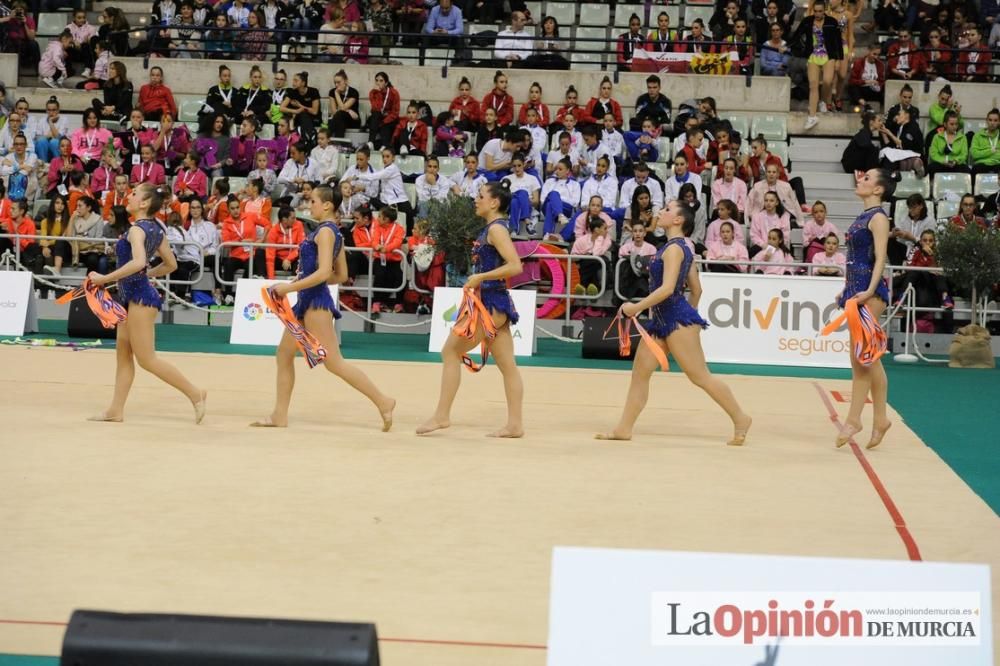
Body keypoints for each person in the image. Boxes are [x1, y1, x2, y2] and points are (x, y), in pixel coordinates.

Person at [596, 202, 752, 444]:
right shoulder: (680, 248)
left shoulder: (674, 250)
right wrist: (689, 314)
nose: (661, 211)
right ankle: (623, 428)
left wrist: (636, 308)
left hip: (675, 320)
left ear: (678, 220)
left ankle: (741, 418)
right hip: (664, 321)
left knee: (700, 377)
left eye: (668, 209)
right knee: (640, 373)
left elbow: (668, 288)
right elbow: (697, 290)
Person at [251, 185, 395, 430]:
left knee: (334, 362)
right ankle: (279, 415)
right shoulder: (332, 232)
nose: (310, 205)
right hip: (308, 300)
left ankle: (383, 401)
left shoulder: (326, 232)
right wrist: (300, 283)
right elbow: (341, 275)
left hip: (316, 304)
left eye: (314, 201)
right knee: (284, 354)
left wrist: (291, 287)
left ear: (327, 205)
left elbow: (326, 272)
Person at [86, 184, 206, 423]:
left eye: (133, 194)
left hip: (140, 298)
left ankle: (195, 393)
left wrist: (105, 278)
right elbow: (170, 264)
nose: (128, 196)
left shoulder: (136, 231)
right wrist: (146, 275)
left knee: (147, 359)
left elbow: (140, 261)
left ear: (143, 203)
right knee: (123, 354)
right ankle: (115, 409)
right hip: (132, 296)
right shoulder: (154, 229)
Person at [417, 181, 524, 438]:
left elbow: (515, 266)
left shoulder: (497, 229)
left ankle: (442, 416)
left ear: (495, 202)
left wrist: (480, 277)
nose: (476, 200)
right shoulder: (493, 228)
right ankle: (515, 424)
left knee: (450, 351)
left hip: (489, 302)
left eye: (480, 195)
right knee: (508, 365)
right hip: (492, 300)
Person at [834, 168, 894, 450]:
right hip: (857, 291)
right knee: (868, 358)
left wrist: (869, 290)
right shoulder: (863, 216)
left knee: (860, 358)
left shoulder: (879, 217)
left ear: (879, 189)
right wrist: (847, 290)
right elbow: (855, 258)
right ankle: (880, 418)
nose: (861, 179)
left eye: (868, 178)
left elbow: (881, 256)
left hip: (869, 293)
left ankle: (854, 418)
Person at [793, 0, 842, 131]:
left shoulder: (832, 22)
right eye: (816, 11)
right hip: (813, 55)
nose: (818, 14)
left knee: (827, 81)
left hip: (829, 55)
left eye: (820, 11)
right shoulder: (808, 21)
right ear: (813, 10)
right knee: (813, 85)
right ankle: (812, 116)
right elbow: (796, 36)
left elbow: (838, 40)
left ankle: (823, 101)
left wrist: (838, 59)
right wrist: (795, 49)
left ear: (824, 10)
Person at [367, 71, 400, 151]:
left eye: (381, 81)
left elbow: (395, 112)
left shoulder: (394, 93)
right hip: (377, 116)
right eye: (376, 80)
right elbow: (376, 108)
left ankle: (385, 145)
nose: (378, 83)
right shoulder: (373, 92)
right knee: (375, 115)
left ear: (386, 83)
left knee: (385, 123)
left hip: (390, 118)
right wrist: (378, 93)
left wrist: (384, 121)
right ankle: (371, 142)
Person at [847, 45, 886, 109]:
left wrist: (879, 85)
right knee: (852, 87)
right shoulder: (859, 63)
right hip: (861, 88)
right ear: (869, 52)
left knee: (884, 88)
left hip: (873, 90)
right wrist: (865, 81)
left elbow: (881, 80)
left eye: (878, 55)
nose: (876, 57)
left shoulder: (880, 65)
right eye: (874, 54)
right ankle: (864, 104)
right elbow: (852, 80)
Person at [971, 108, 1000, 174]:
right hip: (982, 164)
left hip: (998, 164)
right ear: (986, 121)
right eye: (990, 120)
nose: (992, 123)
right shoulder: (977, 136)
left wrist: (983, 152)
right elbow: (974, 154)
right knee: (974, 169)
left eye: (995, 120)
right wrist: (991, 151)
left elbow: (978, 154)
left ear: (999, 122)